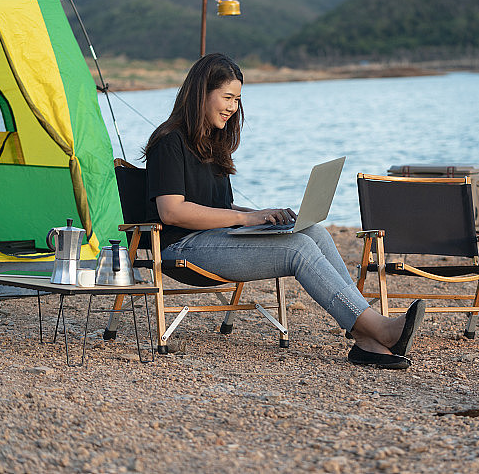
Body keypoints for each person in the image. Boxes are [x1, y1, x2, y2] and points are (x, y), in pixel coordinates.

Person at [144, 53, 425, 369]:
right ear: (201, 93)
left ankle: (367, 341)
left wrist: (263, 214)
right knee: (299, 249)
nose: (233, 107)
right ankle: (378, 328)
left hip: (217, 238)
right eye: (227, 97)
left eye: (237, 99)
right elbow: (172, 212)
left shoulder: (211, 142)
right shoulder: (169, 142)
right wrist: (244, 218)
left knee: (313, 232)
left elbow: (219, 207)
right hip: (181, 247)